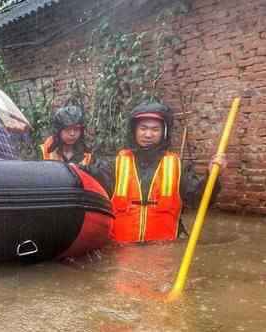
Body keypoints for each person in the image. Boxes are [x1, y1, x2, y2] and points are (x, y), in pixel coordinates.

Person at [82, 102, 226, 244]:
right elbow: (86, 181)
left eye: (155, 129)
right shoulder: (115, 166)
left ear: (163, 133)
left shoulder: (177, 166)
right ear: (134, 131)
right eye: (143, 128)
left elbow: (200, 200)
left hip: (163, 253)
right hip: (121, 252)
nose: (148, 134)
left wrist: (212, 176)